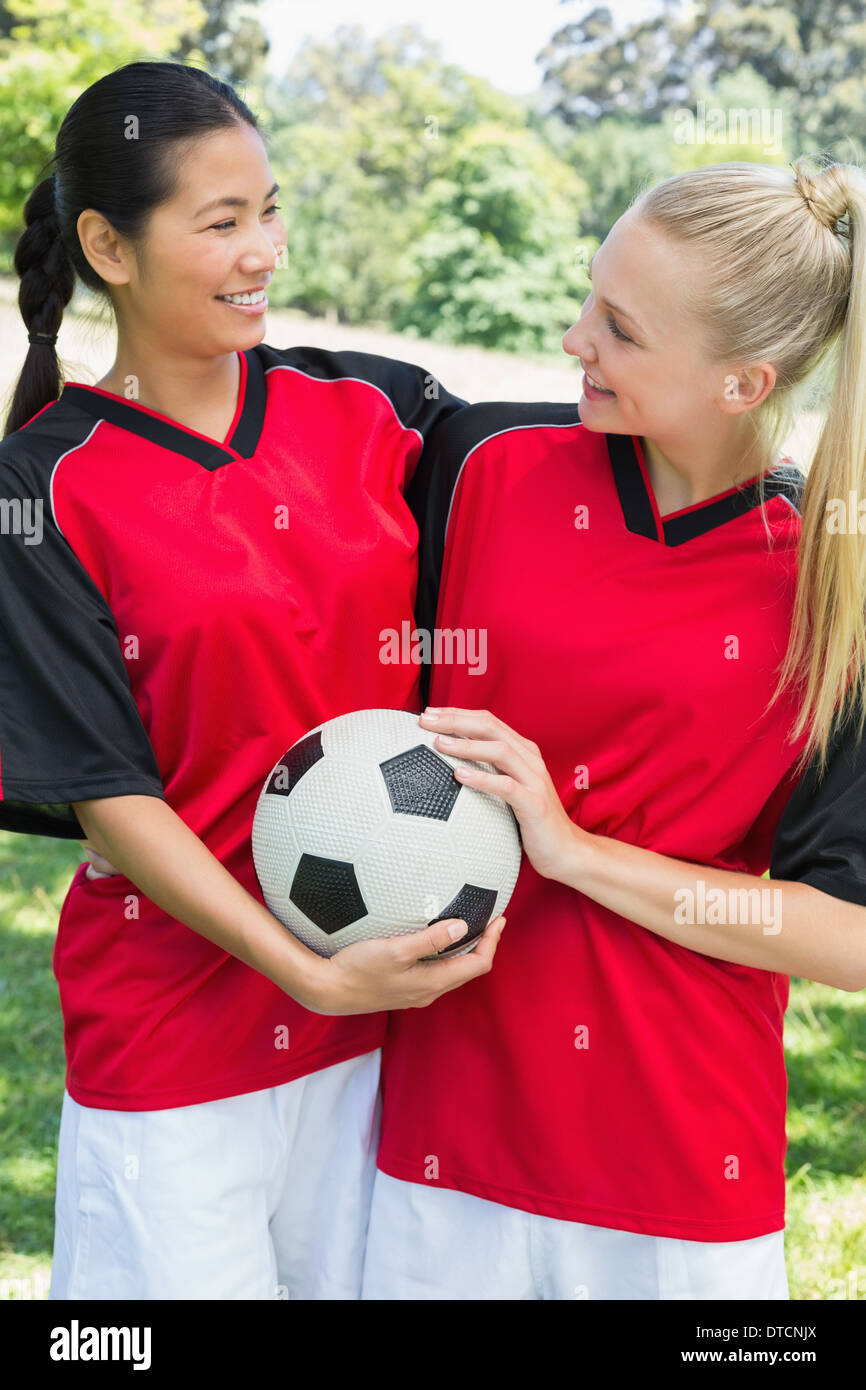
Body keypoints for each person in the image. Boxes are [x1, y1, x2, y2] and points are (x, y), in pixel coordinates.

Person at [0, 59, 505, 1301]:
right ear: (109, 245)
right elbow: (107, 793)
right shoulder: (38, 488)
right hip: (174, 1037)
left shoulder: (372, 408)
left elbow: (567, 477)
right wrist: (304, 970)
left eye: (269, 210)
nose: (260, 250)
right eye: (220, 223)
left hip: (385, 1017)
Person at [360, 157, 866, 1300]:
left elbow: (848, 936)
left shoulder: (834, 587)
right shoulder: (482, 463)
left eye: (621, 329)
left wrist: (576, 852)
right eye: (591, 295)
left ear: (742, 382)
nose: (574, 336)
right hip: (443, 1145)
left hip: (680, 1175)